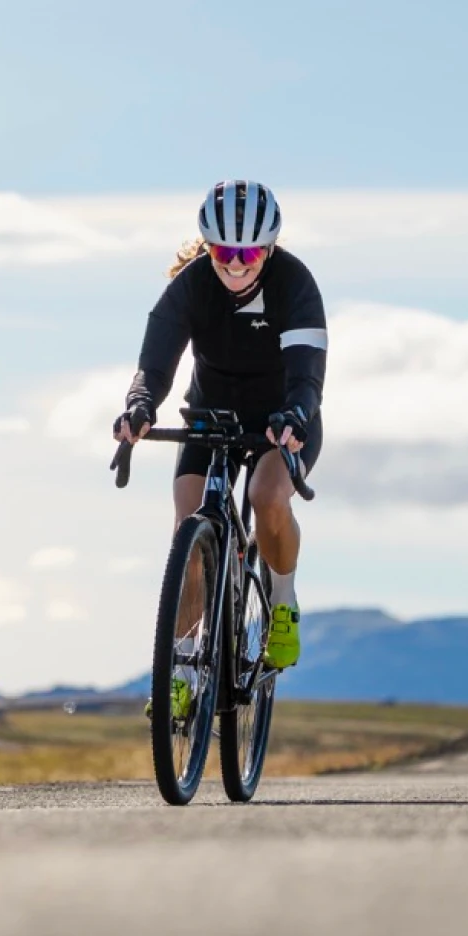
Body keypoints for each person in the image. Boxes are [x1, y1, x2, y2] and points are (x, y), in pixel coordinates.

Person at [113, 179, 327, 672]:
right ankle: (184, 670)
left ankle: (282, 602)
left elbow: (306, 373)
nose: (235, 262)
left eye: (249, 252)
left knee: (266, 495)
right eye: (224, 249)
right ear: (208, 245)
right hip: (209, 415)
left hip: (281, 419)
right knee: (189, 527)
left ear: (268, 248)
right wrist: (140, 407)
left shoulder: (295, 286)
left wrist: (295, 414)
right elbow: (155, 364)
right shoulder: (191, 287)